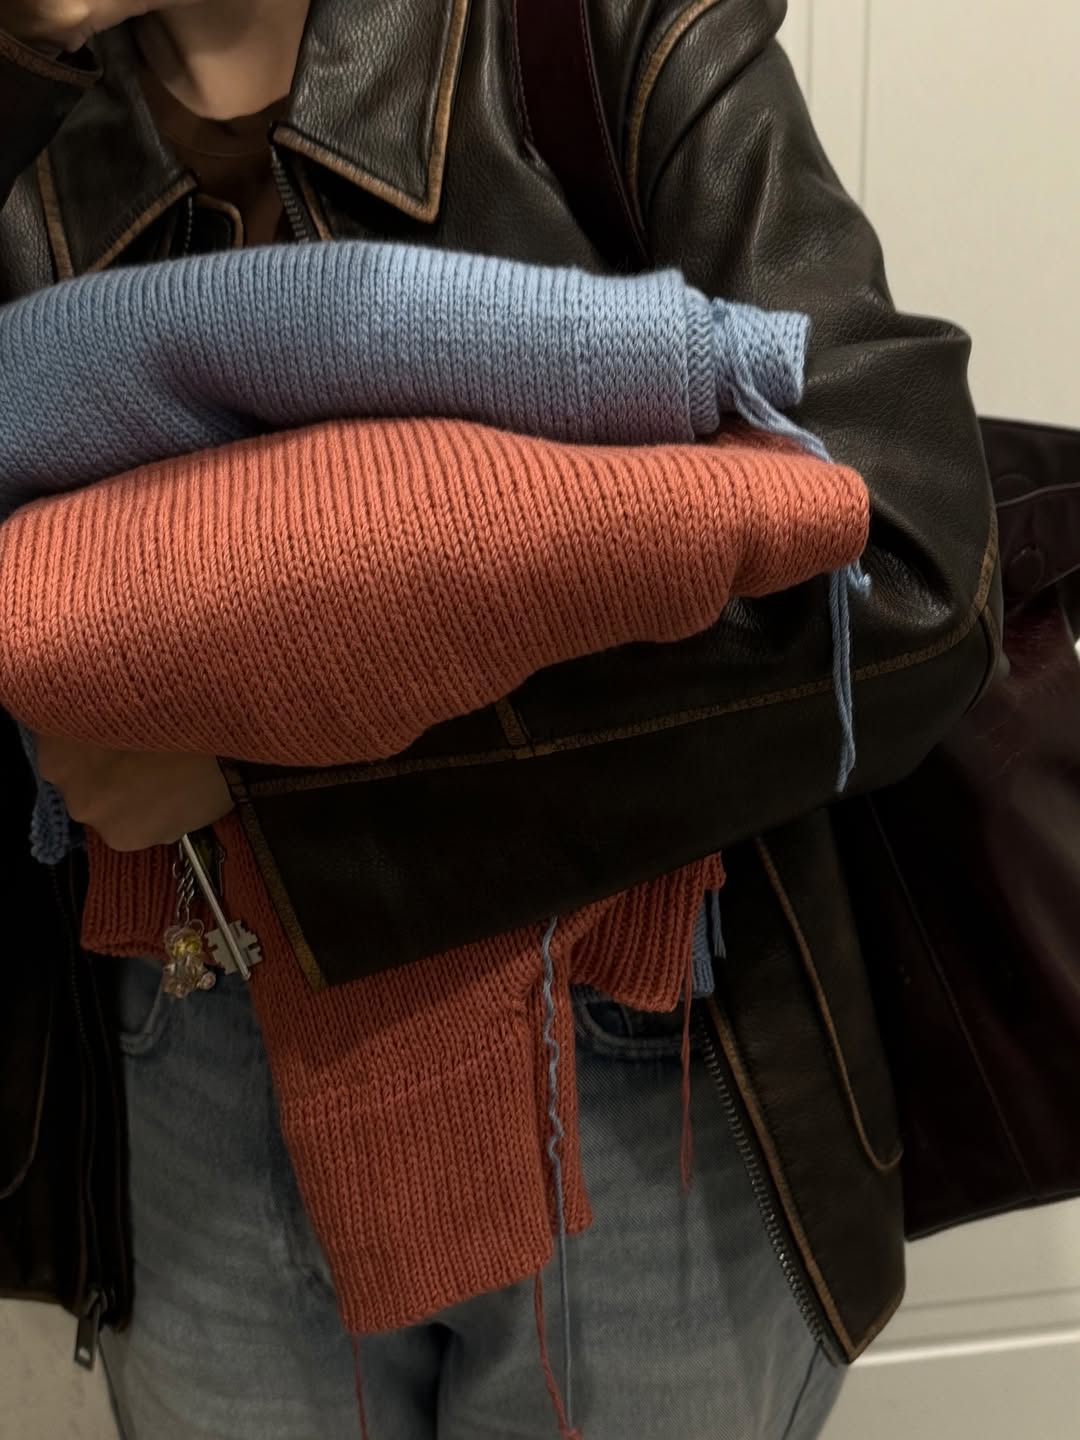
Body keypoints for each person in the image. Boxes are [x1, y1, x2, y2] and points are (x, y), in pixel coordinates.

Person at [0, 2, 998, 1438]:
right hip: (187, 1010)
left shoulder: (595, 28)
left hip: (631, 1039)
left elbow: (909, 573)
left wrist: (280, 776)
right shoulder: (28, 116)